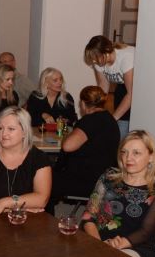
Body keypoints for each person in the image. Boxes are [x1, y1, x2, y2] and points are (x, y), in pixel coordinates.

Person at [0, 106, 51, 219]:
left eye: (11, 129)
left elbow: (41, 199)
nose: (3, 134)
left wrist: (5, 203)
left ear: (24, 132)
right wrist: (17, 208)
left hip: (28, 221)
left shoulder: (39, 158)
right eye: (0, 128)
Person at [46, 86, 120, 214]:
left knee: (45, 176)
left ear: (83, 103)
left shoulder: (89, 121)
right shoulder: (110, 119)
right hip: (104, 178)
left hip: (87, 182)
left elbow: (67, 146)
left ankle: (47, 216)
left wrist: (67, 136)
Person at [84, 35, 134, 138]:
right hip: (122, 87)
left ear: (106, 52)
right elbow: (103, 86)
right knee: (119, 127)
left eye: (96, 58)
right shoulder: (99, 62)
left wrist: (111, 120)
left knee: (122, 126)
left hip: (139, 88)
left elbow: (131, 94)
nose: (94, 61)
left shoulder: (126, 57)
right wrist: (94, 109)